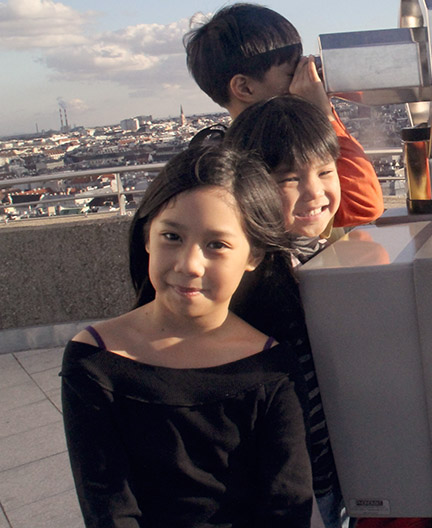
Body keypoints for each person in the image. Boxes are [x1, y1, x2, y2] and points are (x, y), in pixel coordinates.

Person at [61, 146, 313, 528]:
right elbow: (110, 509)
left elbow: (286, 506)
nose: (189, 264)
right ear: (147, 236)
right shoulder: (96, 358)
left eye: (217, 245)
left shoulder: (270, 367)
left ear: (254, 256)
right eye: (172, 236)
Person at [224, 96, 432, 528]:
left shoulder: (322, 252)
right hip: (296, 473)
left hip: (339, 456)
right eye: (289, 179)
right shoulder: (252, 275)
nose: (315, 192)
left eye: (324, 172)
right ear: (250, 188)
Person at [183, 2, 383, 230]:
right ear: (245, 88)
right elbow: (362, 205)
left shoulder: (229, 148)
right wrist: (322, 114)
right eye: (292, 72)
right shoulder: (247, 162)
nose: (305, 77)